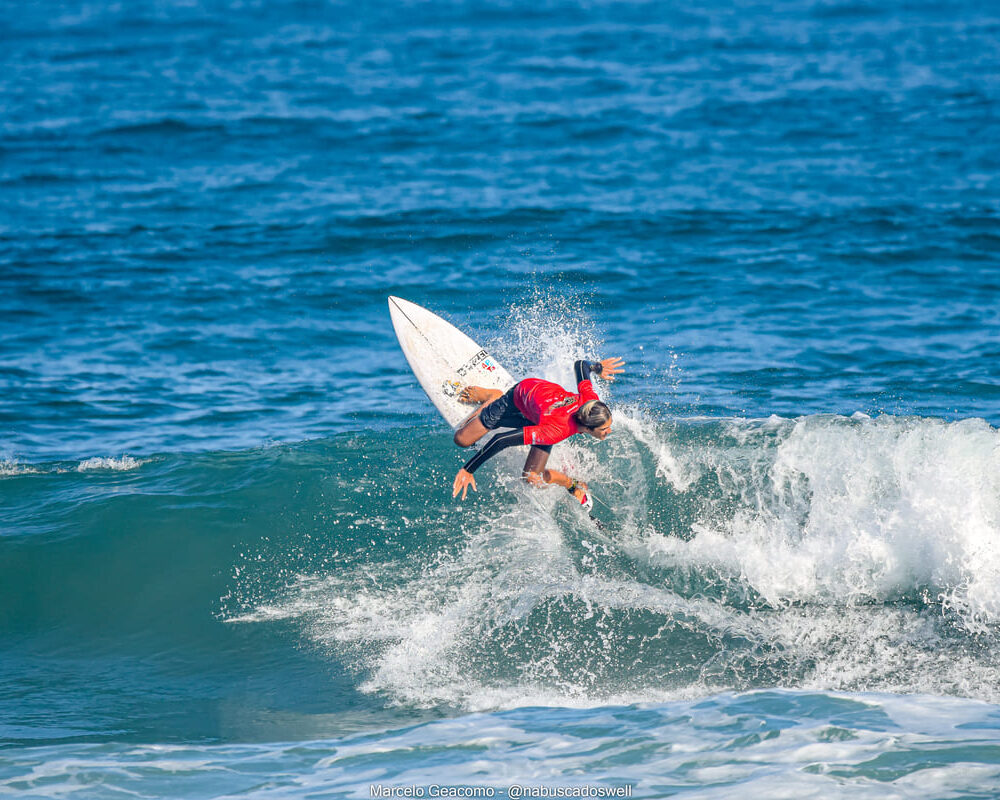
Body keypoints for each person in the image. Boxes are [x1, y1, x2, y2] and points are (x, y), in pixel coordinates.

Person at [451, 357, 625, 505]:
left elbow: (581, 365)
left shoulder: (591, 401)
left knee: (532, 478)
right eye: (604, 429)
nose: (608, 431)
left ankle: (571, 484)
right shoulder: (555, 431)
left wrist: (598, 368)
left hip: (543, 413)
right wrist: (468, 469)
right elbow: (500, 440)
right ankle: (493, 397)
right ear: (587, 427)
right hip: (521, 395)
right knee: (462, 440)